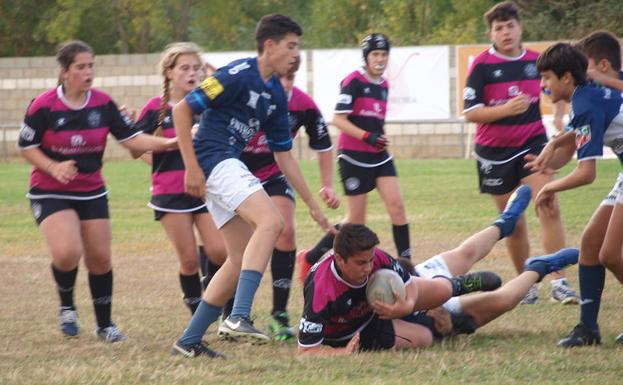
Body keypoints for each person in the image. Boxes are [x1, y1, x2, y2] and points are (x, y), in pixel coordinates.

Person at [170, 14, 333, 358]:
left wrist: (312, 205)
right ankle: (238, 316)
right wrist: (190, 168)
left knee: (238, 257)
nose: (295, 54)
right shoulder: (235, 75)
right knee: (271, 222)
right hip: (215, 159)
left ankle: (188, 341)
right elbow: (183, 109)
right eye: (290, 46)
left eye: (297, 47)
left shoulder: (276, 92)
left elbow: (284, 156)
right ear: (269, 45)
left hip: (225, 164)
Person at [17, 40, 178, 342]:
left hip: (91, 190)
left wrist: (170, 142)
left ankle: (105, 325)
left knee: (100, 259)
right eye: (81, 67)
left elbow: (132, 140)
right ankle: (67, 305)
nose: (88, 72)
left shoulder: (103, 104)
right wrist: (53, 167)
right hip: (50, 189)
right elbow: (26, 146)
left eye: (91, 66)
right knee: (67, 253)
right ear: (65, 72)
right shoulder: (44, 105)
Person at [298, 184, 550, 355]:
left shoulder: (382, 267)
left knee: (461, 258)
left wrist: (408, 305)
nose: (368, 267)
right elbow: (309, 349)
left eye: (370, 261)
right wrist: (449, 327)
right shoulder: (325, 291)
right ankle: (539, 268)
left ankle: (502, 226)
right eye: (361, 263)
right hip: (398, 313)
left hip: (414, 285)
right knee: (500, 300)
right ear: (341, 260)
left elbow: (408, 286)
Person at [462, 1, 576, 304]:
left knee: (548, 205)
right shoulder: (481, 65)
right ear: (491, 33)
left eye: (510, 26)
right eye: (499, 28)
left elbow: (562, 89)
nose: (505, 32)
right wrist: (504, 110)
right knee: (513, 222)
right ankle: (526, 284)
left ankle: (560, 281)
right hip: (494, 154)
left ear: (519, 28)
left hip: (532, 146)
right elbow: (470, 112)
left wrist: (560, 116)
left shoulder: (537, 61)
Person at [234, 55, 339, 340]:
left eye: (290, 78)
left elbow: (324, 144)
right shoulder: (248, 95)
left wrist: (327, 184)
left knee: (286, 232)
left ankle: (278, 315)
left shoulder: (303, 104)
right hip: (234, 173)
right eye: (280, 77)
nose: (284, 83)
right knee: (234, 248)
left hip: (273, 173)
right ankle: (231, 312)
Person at [526, 42, 623, 347]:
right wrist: (555, 143)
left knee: (609, 254)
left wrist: (548, 186)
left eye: (546, 78)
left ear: (566, 78)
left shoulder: (583, 102)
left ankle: (588, 327)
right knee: (590, 244)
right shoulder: (587, 94)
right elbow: (589, 124)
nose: (542, 85)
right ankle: (588, 329)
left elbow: (587, 173)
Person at [299, 32, 411, 281]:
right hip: (353, 157)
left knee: (398, 207)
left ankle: (407, 264)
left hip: (379, 156)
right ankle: (311, 257)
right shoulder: (353, 81)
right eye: (375, 54)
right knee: (354, 222)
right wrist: (367, 136)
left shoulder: (383, 84)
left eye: (384, 54)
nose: (380, 59)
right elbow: (338, 119)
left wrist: (376, 139)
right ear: (366, 57)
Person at [133, 42, 227, 316]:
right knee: (188, 261)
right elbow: (135, 147)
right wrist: (168, 147)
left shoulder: (206, 106)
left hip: (206, 190)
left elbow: (228, 85)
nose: (192, 73)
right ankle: (197, 312)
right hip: (171, 194)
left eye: (197, 68)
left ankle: (215, 299)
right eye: (184, 68)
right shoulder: (155, 108)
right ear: (169, 73)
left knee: (220, 251)